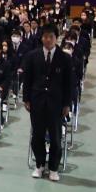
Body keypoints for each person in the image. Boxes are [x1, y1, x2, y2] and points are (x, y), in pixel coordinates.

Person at [22, 24, 73, 181]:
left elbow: (69, 83)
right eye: (45, 36)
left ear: (56, 38)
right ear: (41, 38)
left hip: (56, 104)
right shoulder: (32, 56)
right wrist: (26, 99)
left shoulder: (65, 58)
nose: (48, 39)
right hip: (37, 102)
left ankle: (53, 168)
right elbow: (27, 79)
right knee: (37, 136)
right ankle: (39, 165)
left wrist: (67, 104)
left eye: (51, 36)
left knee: (56, 138)